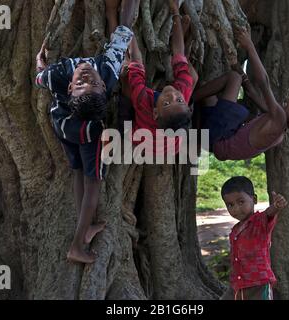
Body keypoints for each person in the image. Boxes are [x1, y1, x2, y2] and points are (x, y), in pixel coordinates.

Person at [35, 0, 138, 264]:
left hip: (68, 129)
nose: (86, 75)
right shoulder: (106, 68)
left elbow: (40, 76)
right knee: (94, 181)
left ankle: (86, 227)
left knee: (80, 172)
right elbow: (124, 30)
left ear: (105, 86)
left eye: (90, 82)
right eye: (83, 82)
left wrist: (40, 67)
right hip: (76, 129)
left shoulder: (61, 74)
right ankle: (77, 245)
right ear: (70, 89)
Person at [193, 28, 289, 161]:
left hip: (219, 140)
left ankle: (188, 100)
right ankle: (195, 138)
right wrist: (243, 74)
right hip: (216, 143)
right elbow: (253, 94)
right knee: (209, 94)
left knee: (234, 78)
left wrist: (249, 46)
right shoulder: (278, 133)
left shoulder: (279, 118)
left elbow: (264, 83)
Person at [126, 0, 198, 156]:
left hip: (144, 141)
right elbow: (178, 52)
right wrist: (175, 12)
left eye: (167, 103)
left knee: (126, 74)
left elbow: (136, 59)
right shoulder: (182, 94)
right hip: (172, 145)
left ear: (155, 113)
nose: (173, 95)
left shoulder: (143, 101)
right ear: (187, 104)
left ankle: (112, 17)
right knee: (191, 76)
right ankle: (183, 44)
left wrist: (126, 25)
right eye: (179, 100)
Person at [221, 176, 288, 300]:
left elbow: (269, 213)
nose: (235, 208)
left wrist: (276, 206)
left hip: (258, 284)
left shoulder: (259, 222)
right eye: (230, 205)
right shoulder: (235, 230)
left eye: (241, 202)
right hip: (238, 284)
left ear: (254, 199)